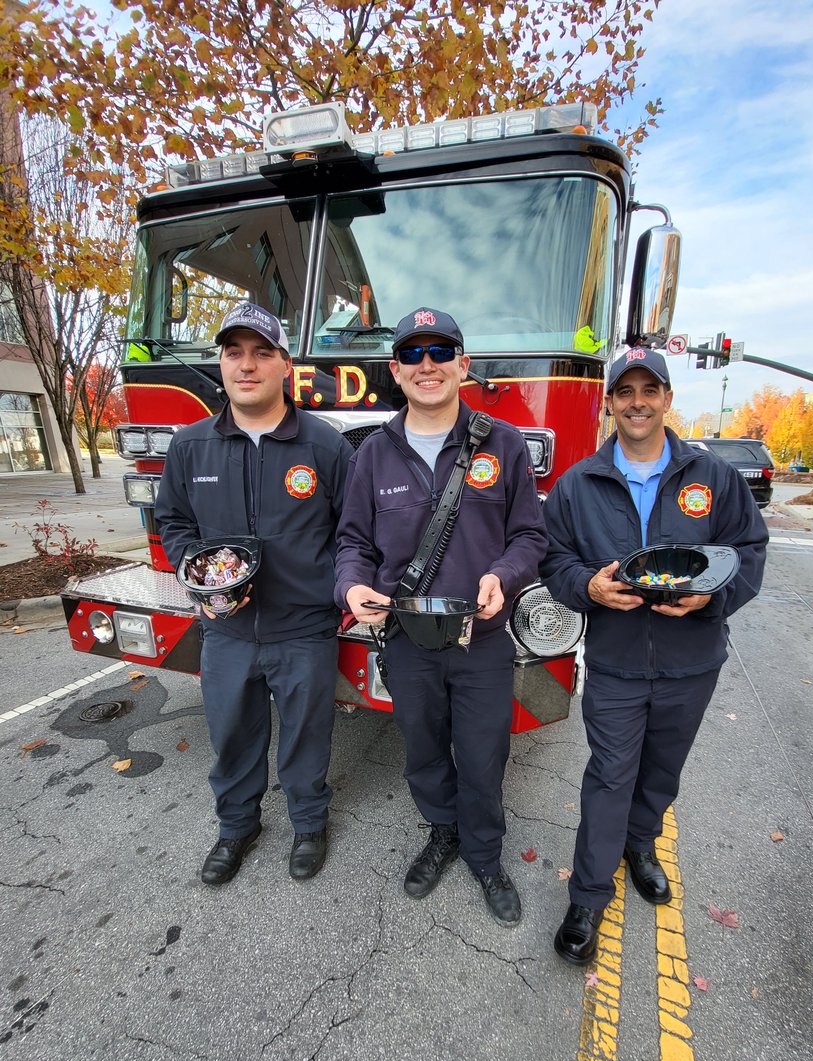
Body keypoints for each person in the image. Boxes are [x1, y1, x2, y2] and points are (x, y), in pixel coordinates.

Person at [541, 347, 768, 964]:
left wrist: (710, 600)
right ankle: (587, 896)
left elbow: (749, 551)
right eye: (626, 391)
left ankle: (640, 844)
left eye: (650, 390)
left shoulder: (712, 476)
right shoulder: (577, 483)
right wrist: (586, 587)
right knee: (611, 774)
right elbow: (553, 558)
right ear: (610, 402)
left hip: (692, 662)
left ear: (668, 399)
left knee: (660, 771)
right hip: (615, 661)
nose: (637, 402)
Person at [335, 308, 547, 926]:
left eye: (441, 350)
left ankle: (485, 855)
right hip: (405, 640)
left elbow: (531, 538)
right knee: (424, 750)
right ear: (396, 371)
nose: (428, 364)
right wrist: (351, 587)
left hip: (480, 638)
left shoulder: (502, 444)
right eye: (413, 354)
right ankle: (443, 833)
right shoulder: (373, 453)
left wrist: (501, 577)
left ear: (463, 364)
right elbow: (353, 543)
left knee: (482, 754)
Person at [155, 302, 352, 885]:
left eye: (262, 353)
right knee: (233, 734)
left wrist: (338, 593)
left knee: (306, 736)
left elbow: (353, 532)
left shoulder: (325, 446)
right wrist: (196, 569)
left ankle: (309, 824)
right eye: (234, 353)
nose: (247, 366)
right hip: (227, 629)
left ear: (284, 365)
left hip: (304, 629)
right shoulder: (191, 446)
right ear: (220, 363)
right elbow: (173, 523)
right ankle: (237, 828)